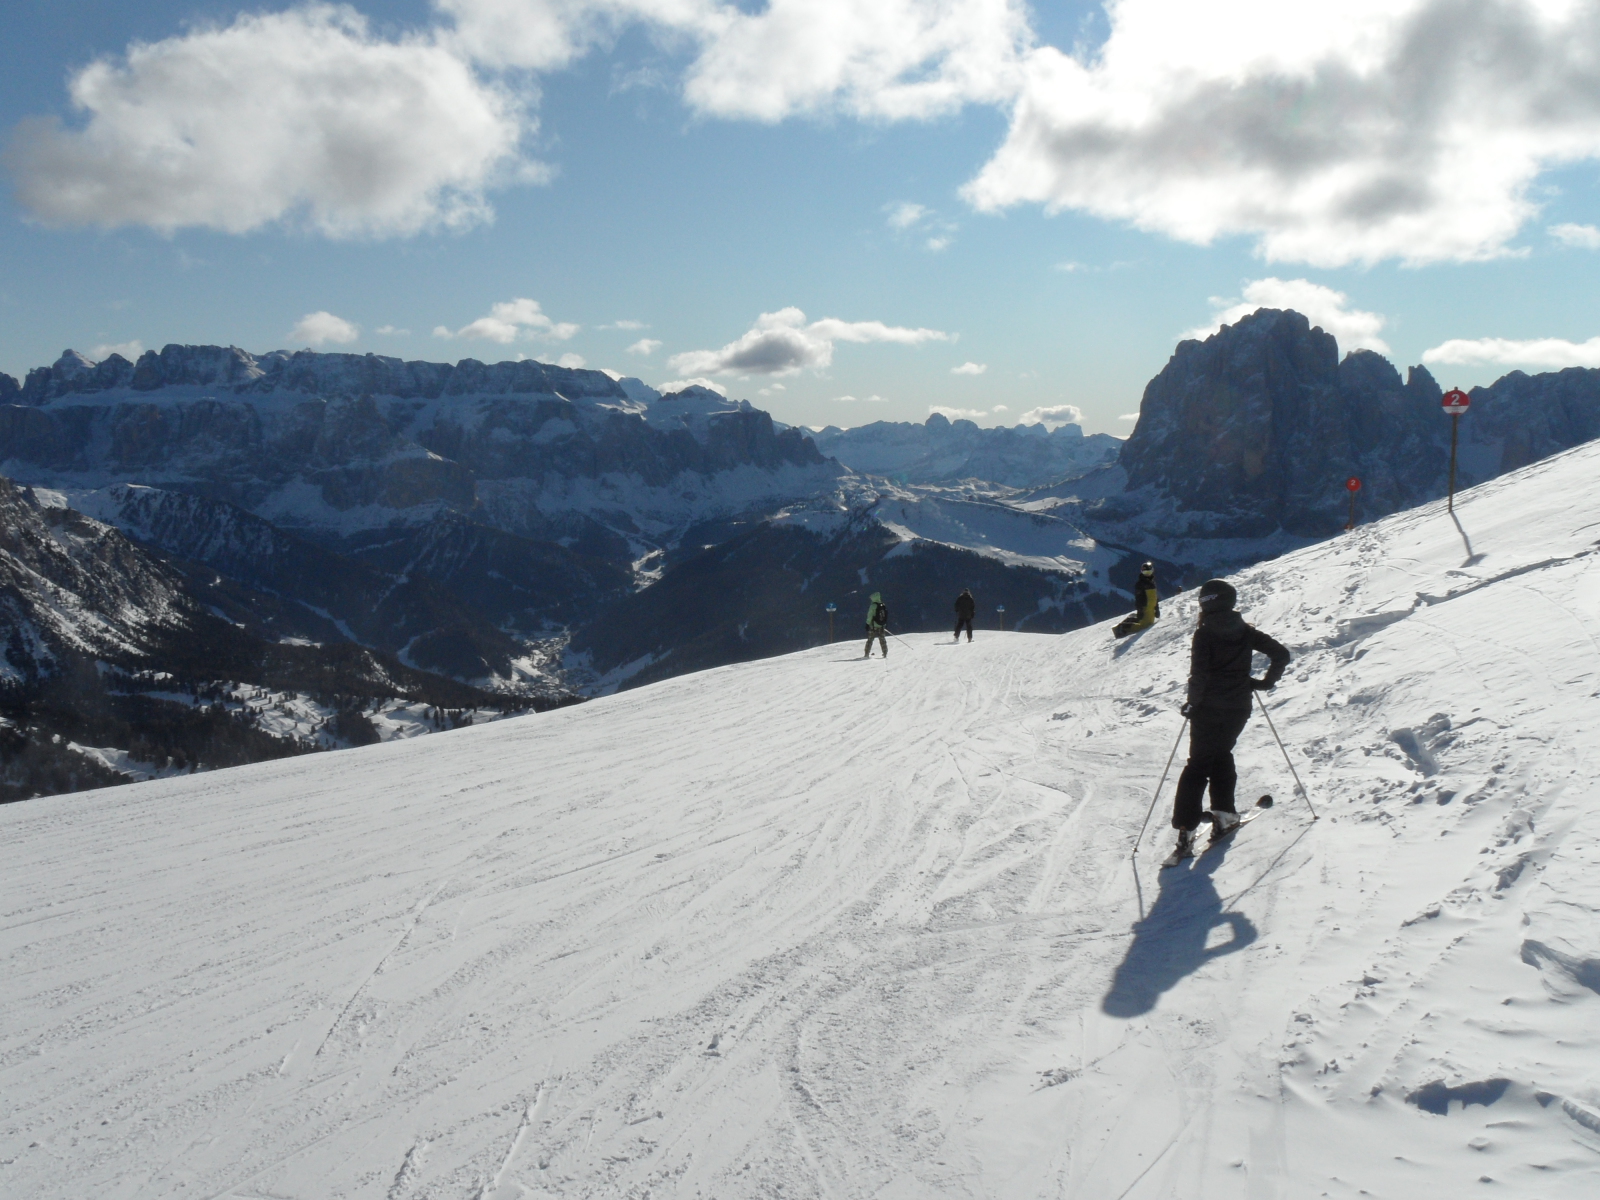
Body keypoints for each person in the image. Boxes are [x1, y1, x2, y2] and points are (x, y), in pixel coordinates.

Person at [1165, 578, 1290, 864]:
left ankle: (1186, 830)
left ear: (1205, 603)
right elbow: (1281, 654)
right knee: (1222, 754)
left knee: (1197, 766)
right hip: (1237, 707)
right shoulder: (1244, 631)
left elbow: (1200, 674)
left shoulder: (1205, 633)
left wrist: (1192, 703)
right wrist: (1265, 683)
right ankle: (1223, 815)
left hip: (1208, 708)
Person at [1113, 562, 1160, 637]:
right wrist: (1140, 610)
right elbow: (1139, 599)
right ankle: (1122, 627)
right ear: (1142, 572)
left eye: (1149, 572)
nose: (1147, 574)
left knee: (1148, 623)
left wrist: (1156, 608)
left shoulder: (1151, 582)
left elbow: (1154, 597)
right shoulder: (1140, 584)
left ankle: (1132, 619)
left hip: (1151, 608)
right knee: (1144, 626)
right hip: (1145, 608)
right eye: (1145, 572)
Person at [863, 592, 889, 658]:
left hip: (873, 626)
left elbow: (870, 616)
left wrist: (867, 624)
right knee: (882, 639)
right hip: (881, 625)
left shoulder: (873, 606)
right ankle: (885, 653)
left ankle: (866, 653)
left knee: (870, 640)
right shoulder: (882, 605)